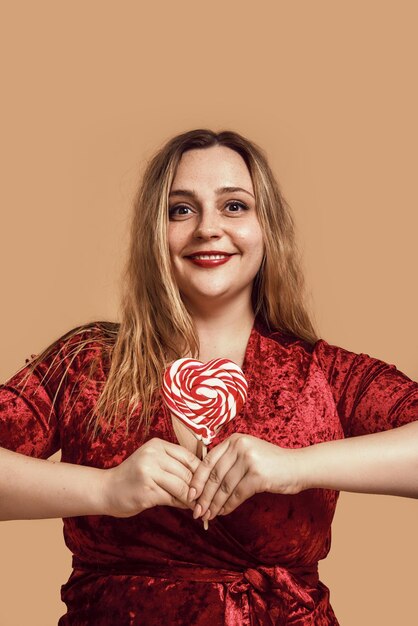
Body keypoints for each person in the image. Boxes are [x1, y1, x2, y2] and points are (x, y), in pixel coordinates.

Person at [0, 128, 417, 626]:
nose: (207, 228)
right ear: (155, 231)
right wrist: (105, 490)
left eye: (234, 206)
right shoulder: (85, 361)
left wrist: (295, 467)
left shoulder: (324, 373)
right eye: (181, 209)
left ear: (268, 229)